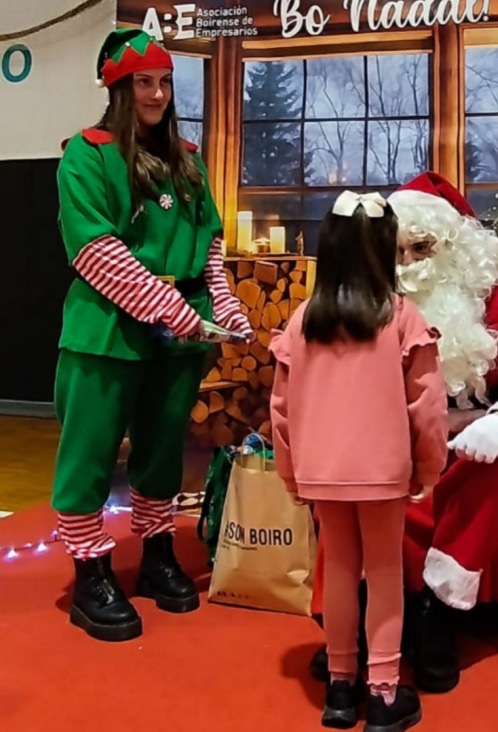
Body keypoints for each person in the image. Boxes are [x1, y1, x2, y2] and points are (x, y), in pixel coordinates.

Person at [309, 172, 498, 692]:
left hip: (479, 443)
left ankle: (436, 608)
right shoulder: (366, 304)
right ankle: (363, 617)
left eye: (423, 248)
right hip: (395, 441)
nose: (410, 265)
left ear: (458, 247)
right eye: (397, 253)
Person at [53, 28, 250, 642]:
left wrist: (222, 302)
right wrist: (166, 306)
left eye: (164, 82)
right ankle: (90, 568)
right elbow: (97, 249)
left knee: (164, 445)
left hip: (180, 332)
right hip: (109, 328)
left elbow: (210, 246)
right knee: (89, 449)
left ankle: (157, 549)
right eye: (144, 82)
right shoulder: (86, 155)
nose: (158, 93)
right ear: (118, 87)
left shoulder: (185, 160)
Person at [270, 191, 448, 730]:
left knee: (341, 571)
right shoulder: (401, 317)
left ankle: (342, 688)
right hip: (384, 472)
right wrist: (428, 466)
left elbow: (281, 407)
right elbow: (428, 404)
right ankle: (386, 692)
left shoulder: (303, 320)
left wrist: (291, 473)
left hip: (322, 470)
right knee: (386, 572)